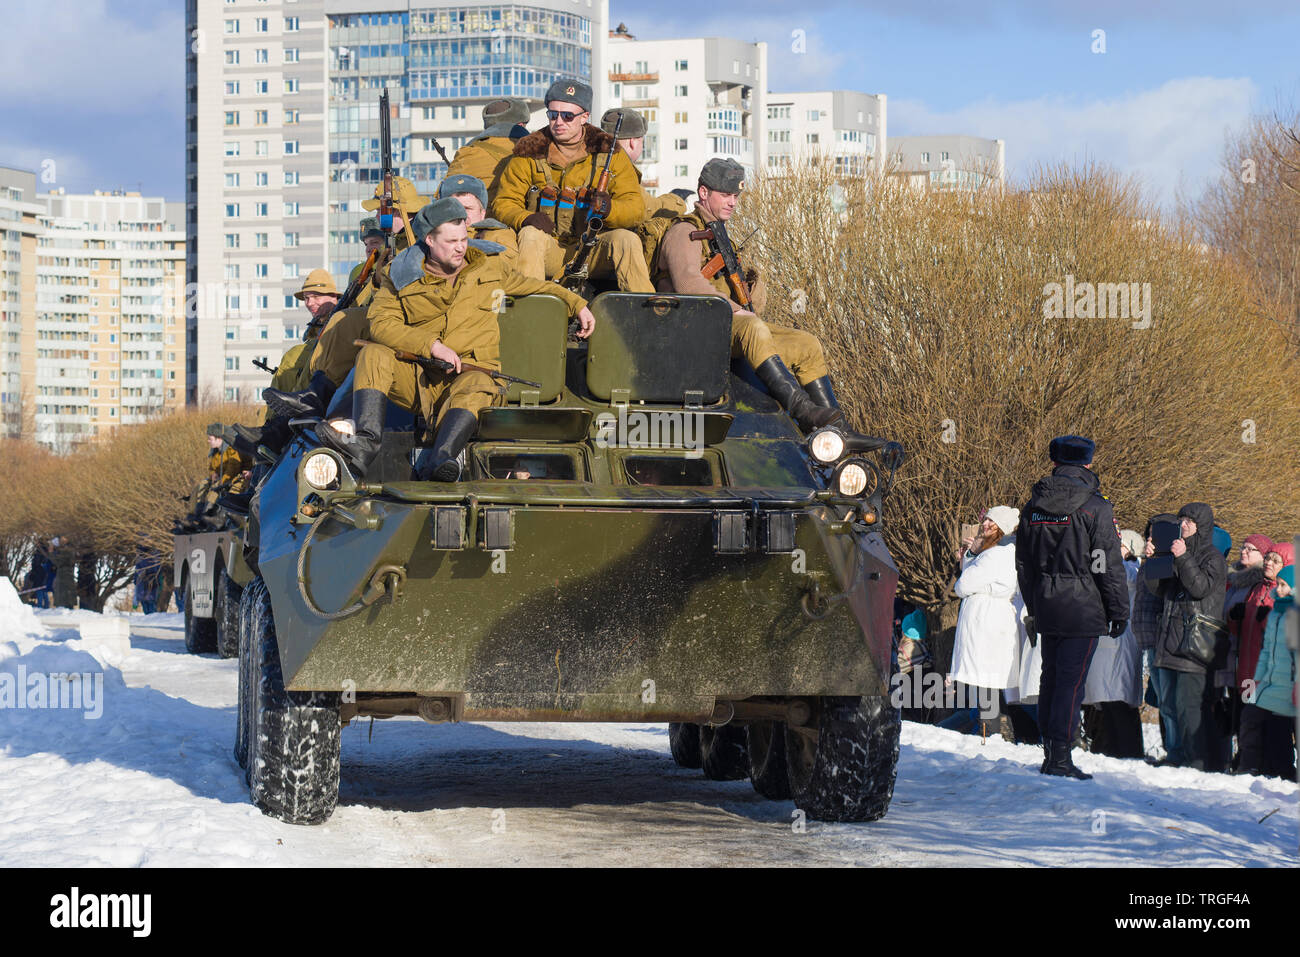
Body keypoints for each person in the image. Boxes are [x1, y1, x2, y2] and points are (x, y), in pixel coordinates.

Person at [315, 197, 596, 480]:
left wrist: (578, 304)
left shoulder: (489, 269)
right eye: (451, 241)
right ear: (429, 240)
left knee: (478, 385)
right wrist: (431, 346)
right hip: (420, 380)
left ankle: (442, 458)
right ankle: (365, 442)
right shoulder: (399, 276)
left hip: (470, 378)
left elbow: (535, 286)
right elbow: (381, 324)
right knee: (373, 353)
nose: (461, 247)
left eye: (463, 238)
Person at [653, 158, 850, 435]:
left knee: (806, 344)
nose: (733, 202)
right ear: (704, 193)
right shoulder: (684, 231)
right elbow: (688, 284)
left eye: (735, 196)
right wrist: (735, 309)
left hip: (723, 329)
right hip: (693, 331)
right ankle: (803, 412)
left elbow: (745, 304)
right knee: (754, 327)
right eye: (725, 195)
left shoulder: (719, 237)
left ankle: (838, 429)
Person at [1015, 435, 1129, 779]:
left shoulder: (1033, 506)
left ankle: (1053, 753)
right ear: (1089, 464)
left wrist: (1035, 603)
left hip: (1048, 601)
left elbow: (1024, 564)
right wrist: (1119, 610)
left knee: (1051, 678)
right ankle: (1060, 757)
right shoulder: (1096, 507)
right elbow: (1107, 564)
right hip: (1083, 605)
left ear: (1055, 463)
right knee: (1070, 683)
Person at [492, 79, 653, 292]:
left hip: (593, 248)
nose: (559, 121)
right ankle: (532, 313)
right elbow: (503, 203)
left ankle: (645, 314)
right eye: (552, 115)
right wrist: (526, 218)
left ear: (584, 117)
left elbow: (636, 208)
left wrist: (610, 209)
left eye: (568, 116)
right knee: (530, 235)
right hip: (550, 247)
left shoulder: (610, 154)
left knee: (627, 239)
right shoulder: (529, 152)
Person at [1147, 502, 1230, 771]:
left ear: (1201, 527)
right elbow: (1158, 590)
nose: (1182, 525)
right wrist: (1154, 559)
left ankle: (1198, 764)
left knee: (1190, 708)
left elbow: (1200, 588)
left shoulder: (1212, 558)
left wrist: (1182, 558)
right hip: (1171, 642)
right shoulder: (1175, 551)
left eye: (1188, 522)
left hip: (1195, 645)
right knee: (1170, 705)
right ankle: (1178, 757)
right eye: (1181, 520)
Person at [944, 506, 1027, 738]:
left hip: (986, 623)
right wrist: (971, 556)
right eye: (986, 519)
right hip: (991, 621)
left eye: (992, 522)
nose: (985, 525)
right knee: (987, 684)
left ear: (1001, 529)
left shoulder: (995, 555)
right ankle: (987, 735)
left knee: (985, 682)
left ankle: (986, 737)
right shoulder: (999, 554)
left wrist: (972, 558)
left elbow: (962, 586)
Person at [1081, 528, 1146, 758]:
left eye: (1119, 544)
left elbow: (1113, 573)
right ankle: (1109, 747)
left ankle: (1129, 751)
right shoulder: (1116, 567)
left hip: (1121, 641)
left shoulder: (1132, 569)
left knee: (1118, 700)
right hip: (1107, 641)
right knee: (1105, 701)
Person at [1242, 560, 1296, 779]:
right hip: (1274, 685)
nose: (1279, 589)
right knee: (1276, 733)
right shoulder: (1276, 614)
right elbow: (1267, 650)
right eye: (1278, 584)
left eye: (1284, 585)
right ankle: (1280, 774)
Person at [1224, 533, 1273, 768]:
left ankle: (1250, 758)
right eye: (1243, 547)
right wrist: (1233, 618)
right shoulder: (1234, 579)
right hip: (1237, 657)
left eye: (1251, 549)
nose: (1244, 551)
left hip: (1254, 663)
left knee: (1251, 714)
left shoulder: (1260, 585)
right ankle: (1241, 754)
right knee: (1239, 710)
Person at [599, 108, 687, 219]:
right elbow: (649, 208)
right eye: (642, 141)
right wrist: (678, 200)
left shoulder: (594, 160)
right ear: (633, 142)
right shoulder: (622, 171)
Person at [446, 98, 532, 202]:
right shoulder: (535, 151)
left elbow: (444, 197)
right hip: (523, 217)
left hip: (478, 217)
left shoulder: (466, 153)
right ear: (520, 125)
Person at [438, 173, 518, 262]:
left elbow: (505, 269)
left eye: (467, 208)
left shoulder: (499, 236)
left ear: (482, 213)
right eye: (454, 208)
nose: (460, 214)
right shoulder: (431, 238)